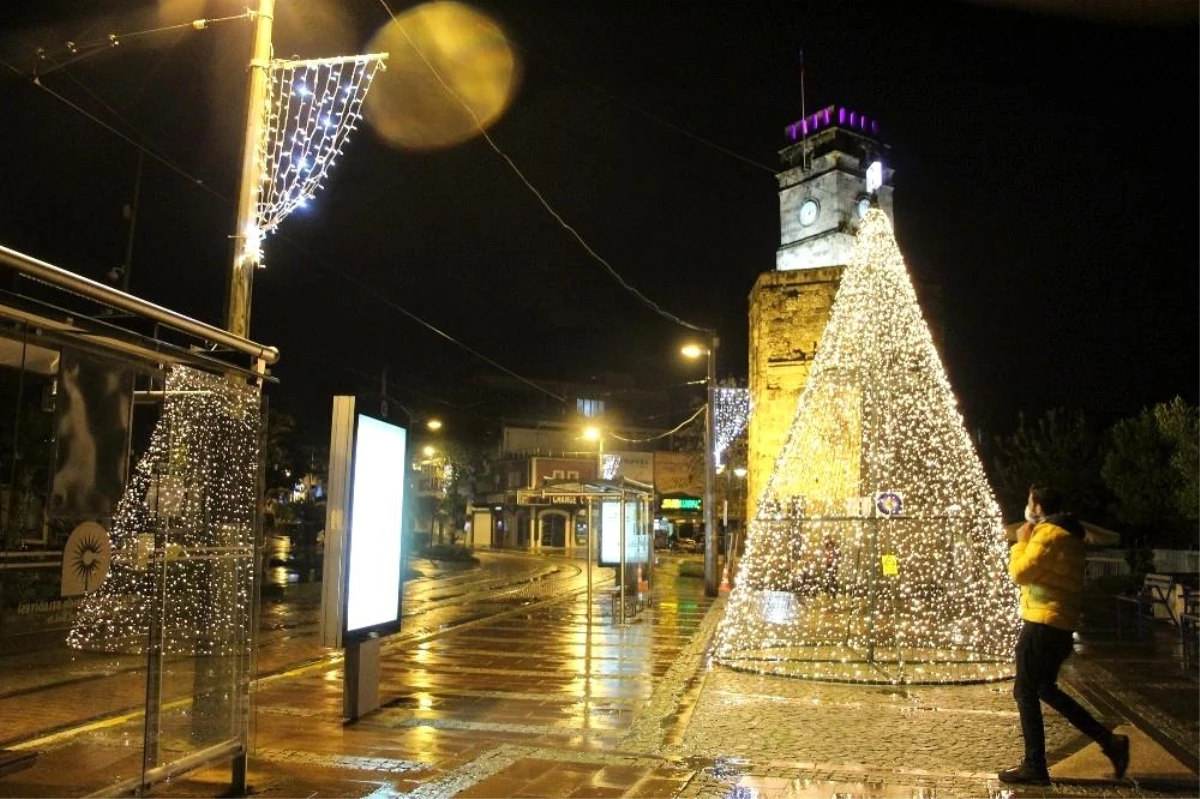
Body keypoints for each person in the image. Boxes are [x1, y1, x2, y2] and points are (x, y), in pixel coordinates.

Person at [999, 485, 1130, 785]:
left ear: (1039, 507)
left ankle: (1035, 765)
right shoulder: (1071, 535)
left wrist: (1020, 544)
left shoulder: (1049, 535)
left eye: (1029, 501)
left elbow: (1020, 573)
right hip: (1059, 625)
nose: (1027, 506)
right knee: (1044, 688)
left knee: (1025, 691)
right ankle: (1110, 742)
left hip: (1042, 624)